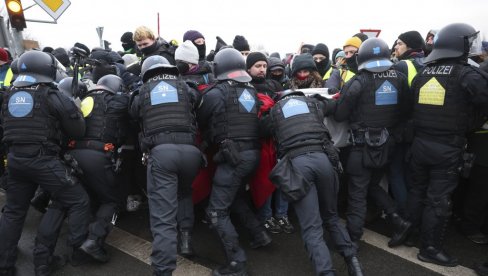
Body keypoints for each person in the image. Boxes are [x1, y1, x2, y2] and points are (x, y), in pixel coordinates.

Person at [0, 50, 90, 276]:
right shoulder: (51, 94)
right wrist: (75, 108)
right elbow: (77, 131)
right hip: (44, 161)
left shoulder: (9, 94)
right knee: (75, 199)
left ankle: (4, 265)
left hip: (15, 161)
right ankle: (54, 257)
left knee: (13, 212)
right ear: (48, 69)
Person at [406, 23, 488, 267]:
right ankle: (429, 248)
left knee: (417, 191)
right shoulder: (467, 74)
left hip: (420, 144)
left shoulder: (423, 72)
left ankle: (410, 232)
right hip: (448, 148)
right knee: (438, 200)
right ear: (459, 44)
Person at [260, 90, 363, 276]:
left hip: (297, 165)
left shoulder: (275, 112)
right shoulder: (313, 104)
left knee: (312, 226)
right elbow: (335, 106)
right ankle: (354, 264)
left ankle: (326, 272)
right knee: (331, 217)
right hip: (323, 159)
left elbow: (260, 130)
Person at [333, 38, 412, 248]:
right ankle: (398, 220)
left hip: (362, 146)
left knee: (357, 191)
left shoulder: (359, 81)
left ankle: (352, 238)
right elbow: (406, 111)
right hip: (388, 145)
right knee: (371, 185)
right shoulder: (400, 78)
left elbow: (340, 114)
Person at [130, 55, 202, 276]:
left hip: (161, 154)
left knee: (163, 219)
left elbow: (133, 114)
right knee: (184, 194)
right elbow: (198, 103)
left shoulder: (141, 92)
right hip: (191, 153)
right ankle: (187, 241)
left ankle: (163, 271)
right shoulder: (186, 87)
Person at [197, 48, 261, 276]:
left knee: (216, 212)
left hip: (233, 158)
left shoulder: (216, 93)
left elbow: (200, 119)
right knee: (234, 198)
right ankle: (259, 234)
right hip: (252, 155)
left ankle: (237, 263)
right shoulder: (251, 91)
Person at [68, 74, 130, 262]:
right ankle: (93, 241)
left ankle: (75, 243)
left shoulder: (83, 99)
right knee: (112, 201)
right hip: (97, 156)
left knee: (84, 199)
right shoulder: (117, 101)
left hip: (72, 155)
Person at [245, 51, 293, 234]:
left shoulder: (274, 85)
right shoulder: (246, 87)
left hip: (278, 139)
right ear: (248, 68)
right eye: (257, 66)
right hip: (259, 140)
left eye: (264, 66)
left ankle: (282, 215)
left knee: (282, 178)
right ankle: (266, 216)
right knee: (264, 179)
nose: (262, 69)